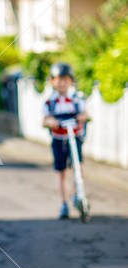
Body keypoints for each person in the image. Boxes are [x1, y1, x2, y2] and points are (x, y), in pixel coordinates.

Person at [42, 62, 89, 219]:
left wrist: (82, 117)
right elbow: (45, 120)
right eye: (58, 79)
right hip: (58, 139)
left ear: (71, 81)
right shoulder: (50, 102)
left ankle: (78, 194)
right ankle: (64, 203)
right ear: (52, 81)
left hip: (74, 138)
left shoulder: (77, 99)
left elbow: (85, 114)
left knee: (78, 166)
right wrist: (51, 122)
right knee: (61, 172)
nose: (61, 83)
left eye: (65, 79)